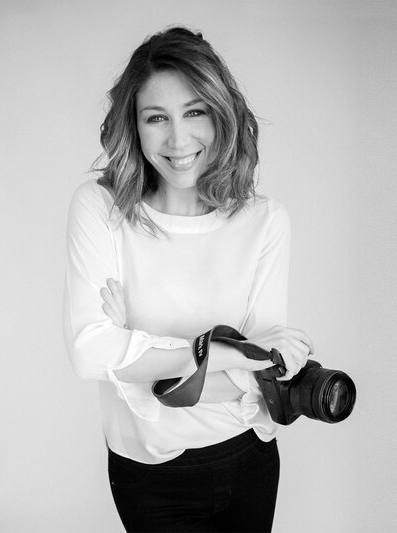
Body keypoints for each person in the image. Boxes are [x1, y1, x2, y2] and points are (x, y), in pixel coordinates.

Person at [63, 26, 313, 533]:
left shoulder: (266, 222)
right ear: (133, 127)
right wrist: (219, 353)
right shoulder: (102, 210)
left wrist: (136, 350)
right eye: (157, 118)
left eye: (194, 112)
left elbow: (262, 379)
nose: (178, 140)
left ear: (221, 114)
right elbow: (90, 352)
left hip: (250, 457)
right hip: (148, 473)